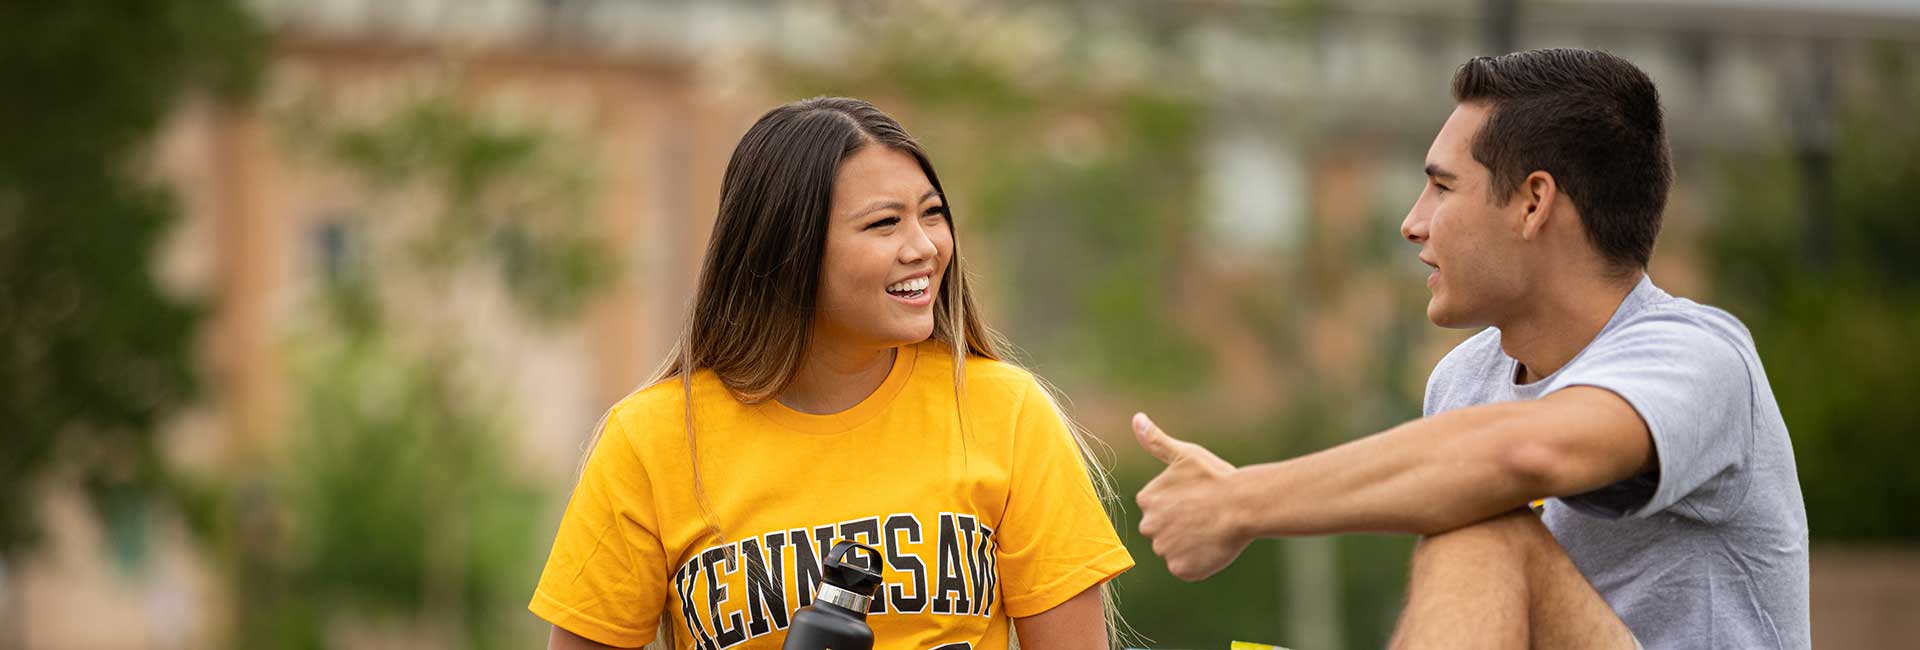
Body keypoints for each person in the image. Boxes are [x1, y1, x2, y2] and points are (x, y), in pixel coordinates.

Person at [1130, 49, 1808, 649]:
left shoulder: (1699, 358)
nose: (1412, 222)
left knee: (1486, 524)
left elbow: (1523, 456)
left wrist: (1240, 501)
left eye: (1442, 187)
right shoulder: (1464, 379)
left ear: (1534, 203)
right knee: (1471, 511)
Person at [530, 97, 1132, 650]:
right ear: (788, 248)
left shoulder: (1006, 412)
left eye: (932, 214)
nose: (924, 247)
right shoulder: (652, 439)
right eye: (884, 223)